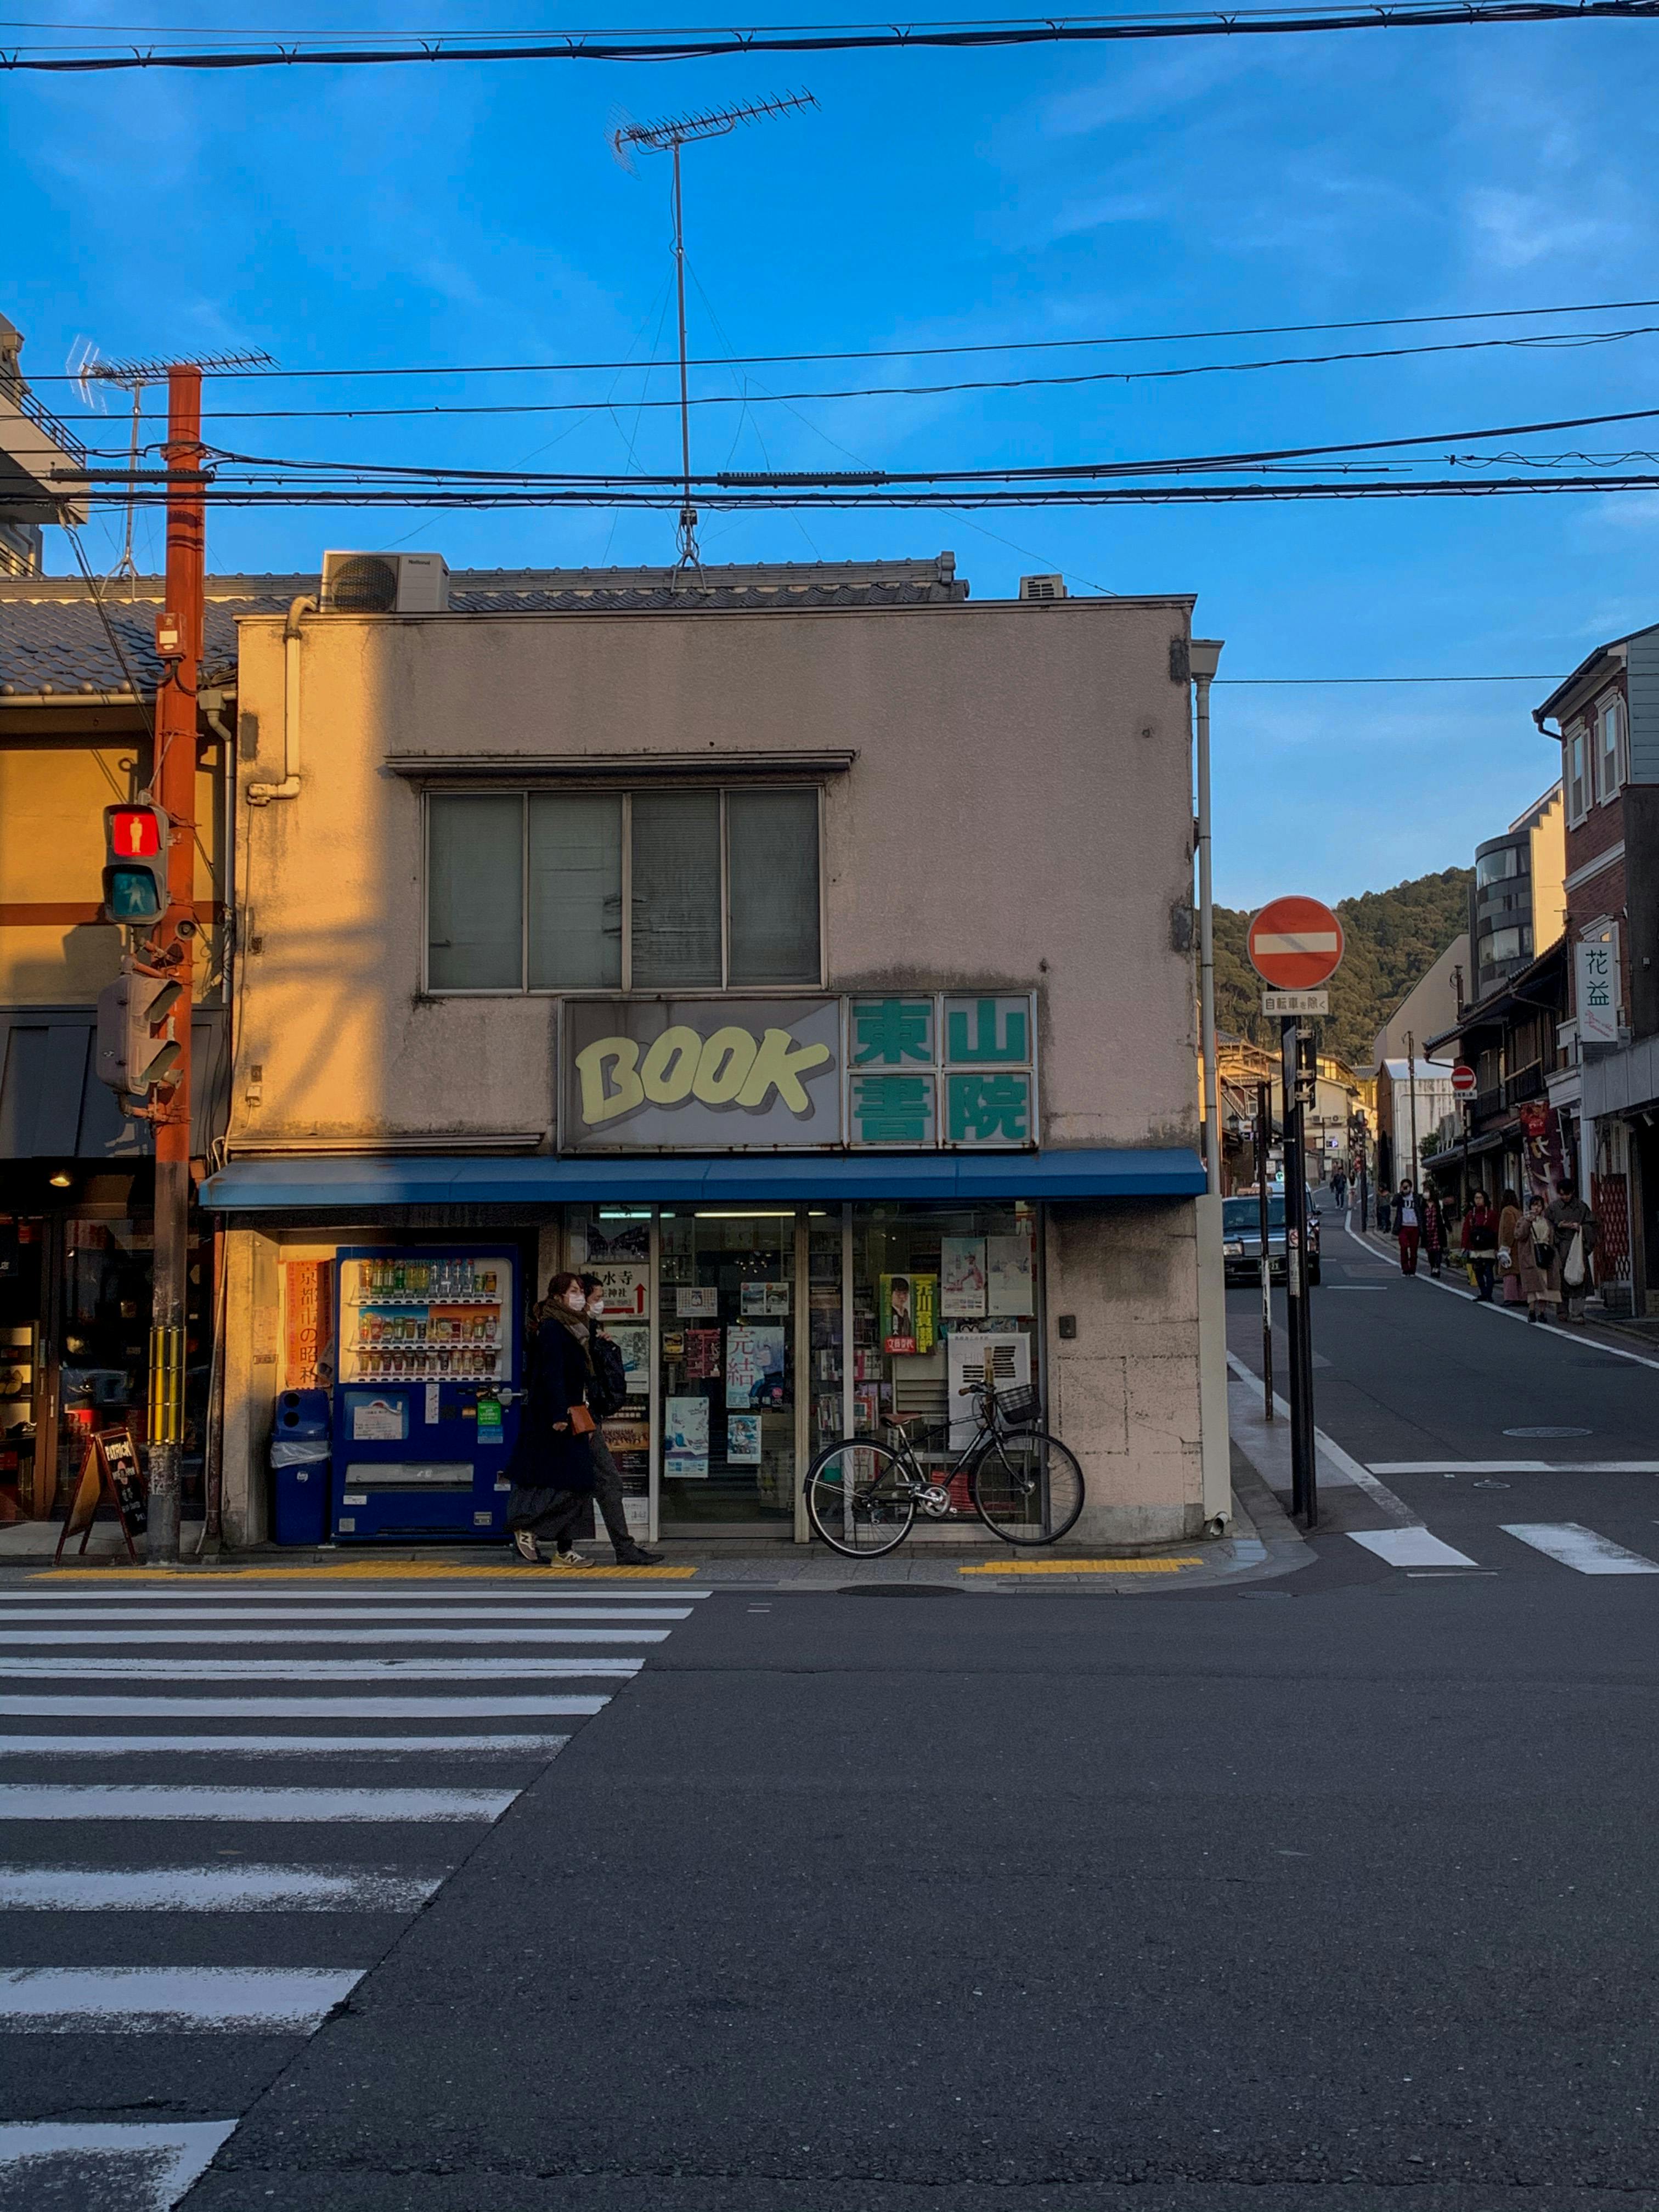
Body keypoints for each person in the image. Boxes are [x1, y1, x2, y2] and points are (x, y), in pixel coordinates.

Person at [504, 1271, 598, 1567]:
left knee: (575, 1482)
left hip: (574, 1412)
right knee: (574, 1481)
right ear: (558, 1296)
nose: (579, 1295)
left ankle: (564, 1548)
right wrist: (559, 1414)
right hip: (556, 1417)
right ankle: (528, 1526)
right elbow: (551, 1373)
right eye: (573, 1290)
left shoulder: (576, 1328)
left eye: (581, 1290)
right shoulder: (553, 1328)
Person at [579, 1273, 664, 1567]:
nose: (600, 1304)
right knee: (606, 1481)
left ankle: (621, 1547)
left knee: (595, 1482)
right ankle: (530, 1528)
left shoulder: (587, 1331)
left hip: (585, 1416)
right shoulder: (573, 1333)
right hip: (581, 1418)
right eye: (596, 1298)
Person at [1546, 1180, 1598, 1324]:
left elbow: (1592, 1226)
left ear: (1573, 1192)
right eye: (1562, 1195)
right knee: (1561, 1280)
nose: (1565, 1198)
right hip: (1560, 1247)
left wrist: (1580, 1228)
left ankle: (1578, 1313)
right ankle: (1562, 1311)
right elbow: (1546, 1225)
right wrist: (1557, 1226)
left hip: (1577, 1247)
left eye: (1568, 1194)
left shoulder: (1581, 1207)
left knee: (1579, 1279)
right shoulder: (1553, 1208)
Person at [1517, 1193, 1558, 1324]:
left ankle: (1542, 1312)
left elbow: (1551, 1239)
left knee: (1544, 1287)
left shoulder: (1547, 1223)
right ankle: (1531, 1312)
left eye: (1539, 1205)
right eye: (1534, 1205)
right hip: (1531, 1256)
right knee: (1532, 1287)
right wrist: (1528, 1222)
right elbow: (1519, 1236)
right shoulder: (1524, 1220)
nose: (1537, 1208)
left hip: (1545, 1256)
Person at [1461, 1190, 1499, 1301]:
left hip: (1489, 1247)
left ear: (1485, 1199)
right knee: (1478, 1271)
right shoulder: (1470, 1214)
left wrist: (1497, 1247)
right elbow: (1466, 1230)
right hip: (1475, 1247)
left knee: (1488, 1271)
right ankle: (1483, 1293)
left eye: (1480, 1198)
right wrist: (1464, 1245)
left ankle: (1489, 1294)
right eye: (1476, 1198)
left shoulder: (1492, 1214)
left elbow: (1495, 1231)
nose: (1478, 1200)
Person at [1496, 1188, 1524, 1306]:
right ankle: (1523, 1297)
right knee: (1519, 1274)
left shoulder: (1507, 1211)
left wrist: (1505, 1247)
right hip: (1519, 1246)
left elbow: (1508, 1230)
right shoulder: (1518, 1211)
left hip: (1511, 1247)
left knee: (1509, 1272)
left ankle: (1511, 1297)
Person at [1421, 1187, 1451, 1279]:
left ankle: (1437, 1268)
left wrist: (1449, 1227)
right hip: (1427, 1231)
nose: (1425, 1194)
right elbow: (1421, 1218)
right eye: (1425, 1192)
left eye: (1427, 1192)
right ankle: (1432, 1267)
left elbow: (1444, 1216)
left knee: (1438, 1250)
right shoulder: (1423, 1205)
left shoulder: (1438, 1205)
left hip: (1437, 1230)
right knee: (1430, 1252)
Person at [1394, 1178, 1422, 1275]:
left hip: (1415, 1226)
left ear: (1411, 1187)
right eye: (1403, 1187)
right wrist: (1400, 1193)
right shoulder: (1400, 1198)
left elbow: (1420, 1210)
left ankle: (1413, 1268)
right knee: (1404, 1247)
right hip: (1403, 1226)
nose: (1405, 1189)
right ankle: (1405, 1268)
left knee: (1414, 1249)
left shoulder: (1416, 1197)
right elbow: (1393, 1203)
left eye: (1407, 1187)